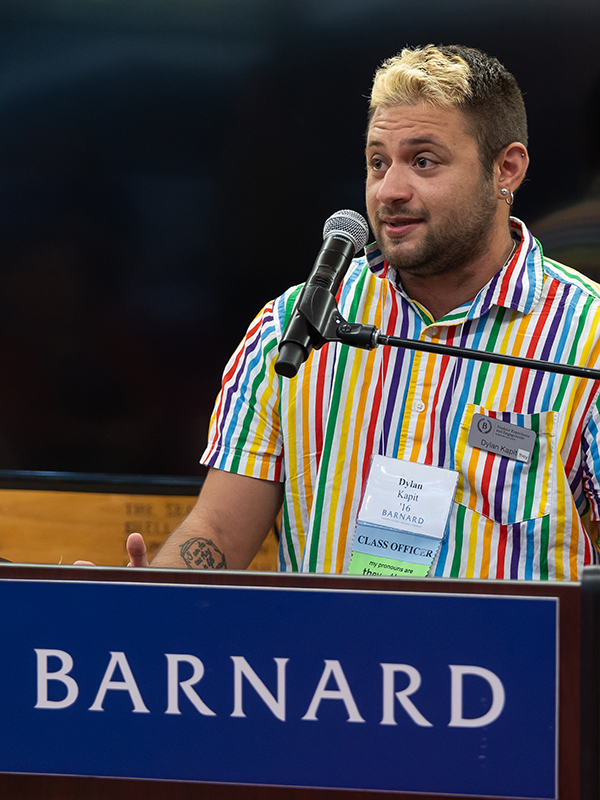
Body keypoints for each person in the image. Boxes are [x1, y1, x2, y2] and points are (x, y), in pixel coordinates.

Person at [123, 44, 600, 580]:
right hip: (334, 664)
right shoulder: (296, 327)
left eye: (423, 161)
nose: (390, 190)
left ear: (505, 169)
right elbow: (217, 532)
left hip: (511, 665)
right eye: (379, 162)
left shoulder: (588, 337)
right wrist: (146, 601)